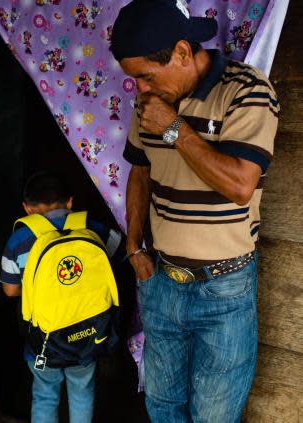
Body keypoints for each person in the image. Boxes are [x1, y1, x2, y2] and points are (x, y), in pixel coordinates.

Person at [108, 0, 279, 422]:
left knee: (213, 416)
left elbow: (240, 184)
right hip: (161, 282)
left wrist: (173, 128)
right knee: (162, 407)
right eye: (134, 81)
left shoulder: (248, 91)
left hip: (224, 291)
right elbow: (140, 172)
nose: (140, 91)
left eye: (146, 77)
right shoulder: (150, 102)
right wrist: (133, 245)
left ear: (183, 52)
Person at [0, 171, 122, 423]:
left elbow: (10, 290)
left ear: (27, 209)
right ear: (69, 203)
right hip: (88, 334)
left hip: (43, 339)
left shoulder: (19, 239)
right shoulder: (89, 226)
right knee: (82, 392)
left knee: (45, 395)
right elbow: (120, 251)